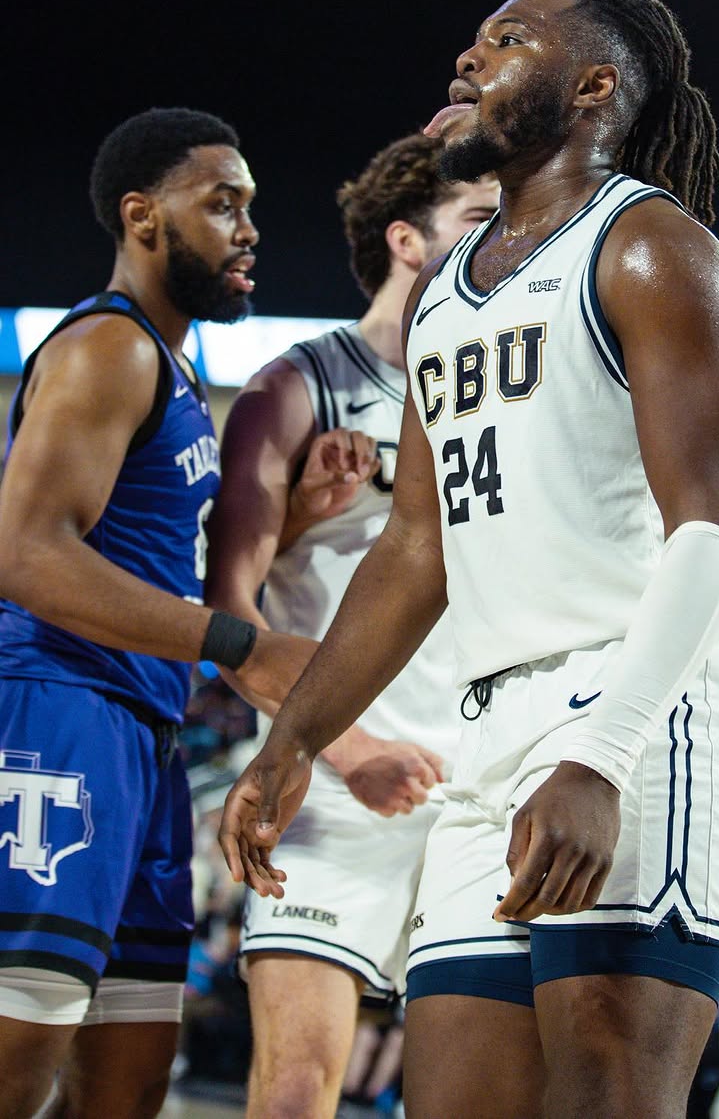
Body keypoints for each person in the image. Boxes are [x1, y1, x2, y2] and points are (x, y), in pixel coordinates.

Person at [220, 0, 719, 1118]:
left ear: (592, 87)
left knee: (606, 1094)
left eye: (509, 39)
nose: (469, 58)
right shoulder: (445, 295)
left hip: (639, 707)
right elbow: (413, 551)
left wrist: (603, 753)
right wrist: (295, 736)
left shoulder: (649, 245)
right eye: (476, 39)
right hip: (488, 729)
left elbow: (717, 528)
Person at [0, 108, 316, 1119]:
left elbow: (149, 559)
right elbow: (26, 553)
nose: (248, 229)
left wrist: (304, 517)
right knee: (16, 1059)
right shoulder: (109, 347)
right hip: (58, 710)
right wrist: (235, 645)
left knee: (130, 1079)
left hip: (143, 732)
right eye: (222, 204)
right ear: (143, 217)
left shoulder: (175, 371)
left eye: (250, 207)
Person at [204, 132, 498, 1119]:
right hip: (333, 786)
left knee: (475, 1098)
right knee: (295, 1091)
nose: (505, 239)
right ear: (408, 241)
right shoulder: (297, 386)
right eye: (478, 220)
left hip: (482, 787)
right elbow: (228, 614)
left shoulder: (502, 386)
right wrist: (349, 747)